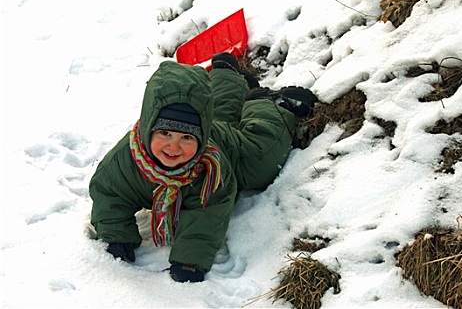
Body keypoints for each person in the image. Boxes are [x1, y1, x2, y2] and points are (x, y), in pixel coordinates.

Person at [89, 52, 318, 283]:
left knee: (262, 158)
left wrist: (190, 259)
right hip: (208, 127)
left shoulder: (210, 168)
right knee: (217, 113)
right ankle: (228, 75)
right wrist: (116, 236)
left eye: (186, 137)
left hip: (228, 147)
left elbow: (207, 210)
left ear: (201, 137)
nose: (173, 146)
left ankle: (267, 104)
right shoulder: (124, 161)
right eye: (165, 133)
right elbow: (110, 195)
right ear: (149, 128)